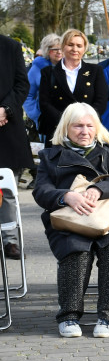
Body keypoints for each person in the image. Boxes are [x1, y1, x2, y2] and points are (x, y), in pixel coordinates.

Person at [32, 103, 109, 338]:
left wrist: (99, 189)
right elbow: (40, 191)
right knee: (76, 251)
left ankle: (108, 316)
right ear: (66, 129)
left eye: (90, 126)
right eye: (78, 126)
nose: (84, 131)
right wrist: (65, 196)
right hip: (70, 220)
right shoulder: (50, 156)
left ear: (97, 128)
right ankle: (68, 317)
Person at [38, 29, 108, 139]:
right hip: (58, 131)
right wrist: (67, 122)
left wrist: (83, 122)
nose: (75, 49)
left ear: (84, 48)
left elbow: (101, 101)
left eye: (79, 46)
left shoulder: (95, 71)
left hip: (87, 132)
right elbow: (44, 103)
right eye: (70, 45)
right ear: (62, 46)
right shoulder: (48, 73)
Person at [0, 33, 32, 259]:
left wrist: (5, 110)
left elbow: (22, 84)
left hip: (6, 129)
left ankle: (10, 240)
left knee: (7, 188)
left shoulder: (10, 47)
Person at [24, 33, 62, 127]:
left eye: (61, 48)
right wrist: (37, 115)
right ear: (47, 50)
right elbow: (27, 94)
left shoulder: (68, 67)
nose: (59, 52)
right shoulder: (37, 69)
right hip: (46, 120)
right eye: (55, 49)